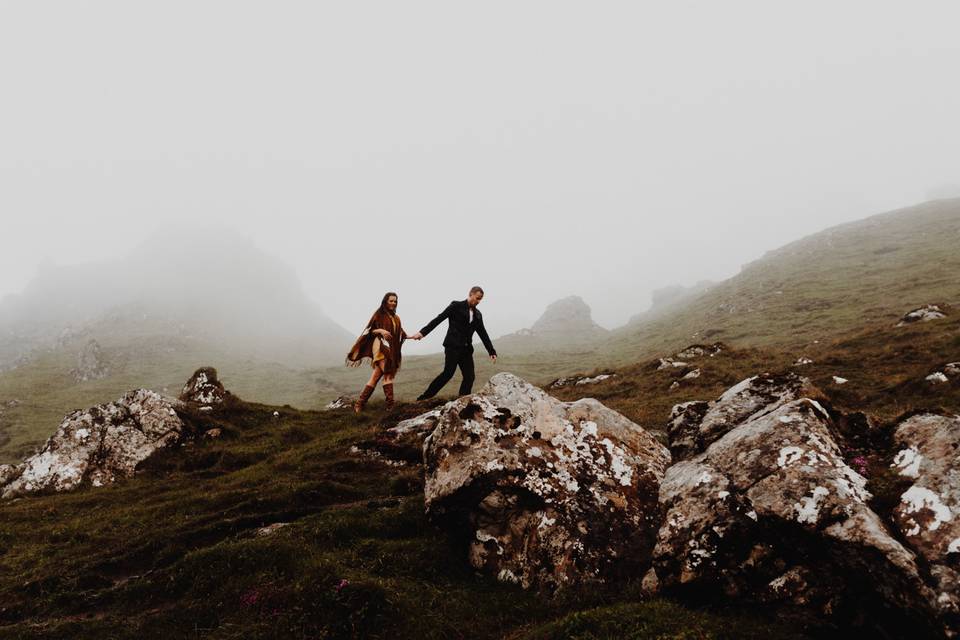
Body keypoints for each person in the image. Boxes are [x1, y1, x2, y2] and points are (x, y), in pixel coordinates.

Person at [411, 286, 497, 400]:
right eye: (476, 298)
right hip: (453, 346)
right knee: (448, 374)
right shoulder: (456, 306)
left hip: (466, 349)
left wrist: (491, 351)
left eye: (480, 299)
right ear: (470, 294)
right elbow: (438, 319)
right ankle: (424, 398)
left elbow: (483, 333)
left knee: (469, 377)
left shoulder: (478, 314)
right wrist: (422, 333)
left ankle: (462, 400)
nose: (478, 301)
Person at [345, 292, 408, 412]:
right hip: (379, 346)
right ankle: (390, 406)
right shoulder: (379, 314)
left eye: (395, 301)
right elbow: (370, 330)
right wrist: (381, 330)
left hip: (389, 348)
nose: (393, 303)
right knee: (388, 373)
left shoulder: (396, 318)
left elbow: (400, 332)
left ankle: (359, 404)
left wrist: (411, 336)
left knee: (375, 377)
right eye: (391, 301)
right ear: (385, 301)